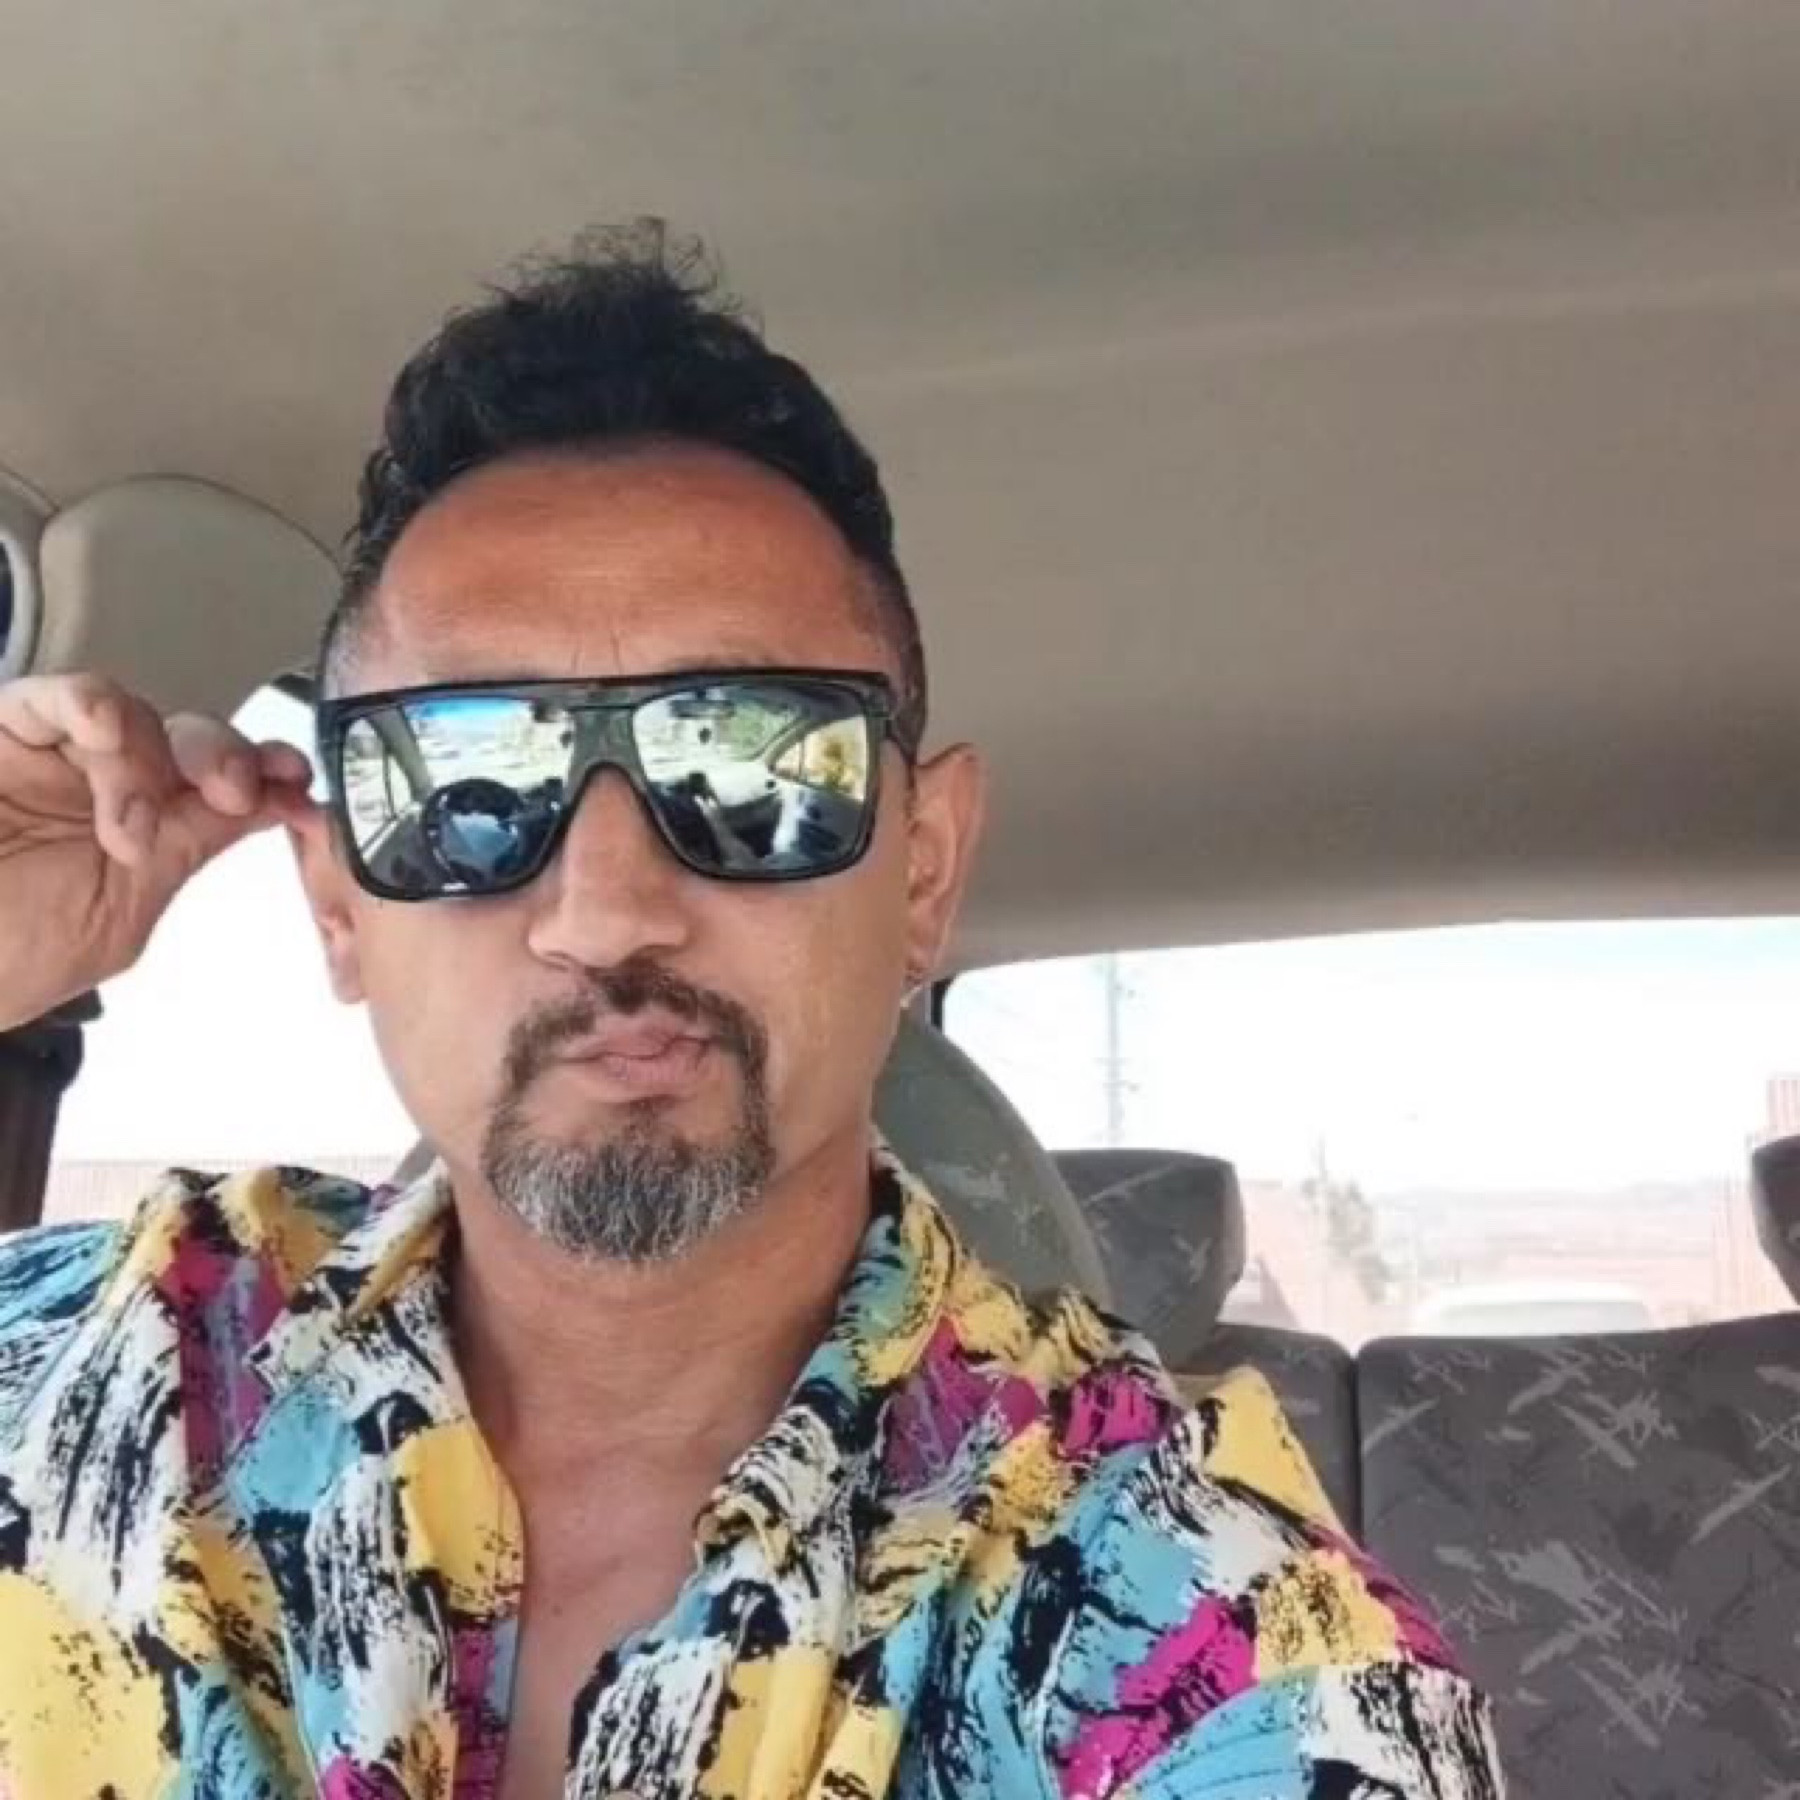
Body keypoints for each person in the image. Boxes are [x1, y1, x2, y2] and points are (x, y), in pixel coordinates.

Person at [0, 226, 1504, 1798]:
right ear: (336, 903)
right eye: (467, 782)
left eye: (752, 769)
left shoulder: (1193, 1629)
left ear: (923, 869)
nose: (606, 912)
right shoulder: (102, 1373)